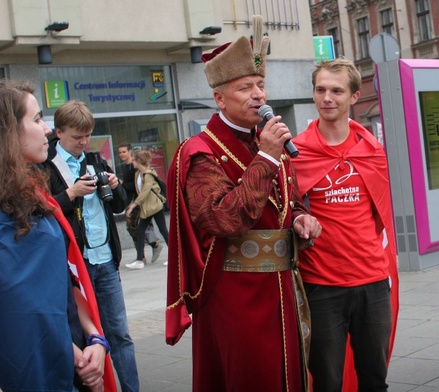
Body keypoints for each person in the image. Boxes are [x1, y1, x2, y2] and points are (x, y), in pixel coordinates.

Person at [165, 15, 322, 392]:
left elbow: (290, 199)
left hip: (283, 286)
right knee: (251, 377)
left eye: (261, 84)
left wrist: (301, 218)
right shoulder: (200, 152)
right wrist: (266, 159)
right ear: (219, 97)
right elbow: (222, 219)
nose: (259, 95)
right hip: (234, 295)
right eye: (245, 87)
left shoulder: (268, 141)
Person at [290, 58, 399, 391]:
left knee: (375, 380)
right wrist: (298, 220)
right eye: (320, 89)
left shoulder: (372, 148)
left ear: (354, 96)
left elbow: (382, 215)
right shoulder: (296, 152)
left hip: (372, 282)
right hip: (321, 286)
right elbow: (288, 209)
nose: (327, 98)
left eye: (337, 90)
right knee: (326, 382)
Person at [0, 81, 116, 392]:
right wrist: (72, 351)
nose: (47, 129)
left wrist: (94, 335)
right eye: (36, 119)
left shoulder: (32, 189)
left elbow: (62, 279)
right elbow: (22, 305)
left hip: (70, 343)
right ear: (9, 132)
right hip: (36, 360)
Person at [41, 100, 140, 392]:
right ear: (59, 132)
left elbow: (119, 205)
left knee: (119, 334)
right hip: (74, 265)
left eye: (87, 136)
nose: (83, 143)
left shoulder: (94, 160)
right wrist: (71, 193)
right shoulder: (46, 167)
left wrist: (115, 184)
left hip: (105, 260)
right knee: (84, 336)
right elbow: (41, 212)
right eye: (76, 137)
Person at [117, 142, 163, 261]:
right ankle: (143, 254)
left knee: (138, 227)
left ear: (130, 152)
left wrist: (123, 184)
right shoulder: (127, 167)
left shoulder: (138, 169)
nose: (121, 154)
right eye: (119, 152)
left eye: (124, 152)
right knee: (137, 228)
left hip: (142, 202)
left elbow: (139, 187)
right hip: (136, 201)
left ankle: (145, 253)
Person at [124, 150, 169, 269]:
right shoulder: (137, 174)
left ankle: (176, 257)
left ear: (138, 161)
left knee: (163, 230)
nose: (132, 162)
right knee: (140, 231)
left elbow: (144, 192)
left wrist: (133, 206)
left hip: (155, 206)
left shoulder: (148, 174)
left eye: (133, 160)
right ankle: (139, 260)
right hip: (147, 208)